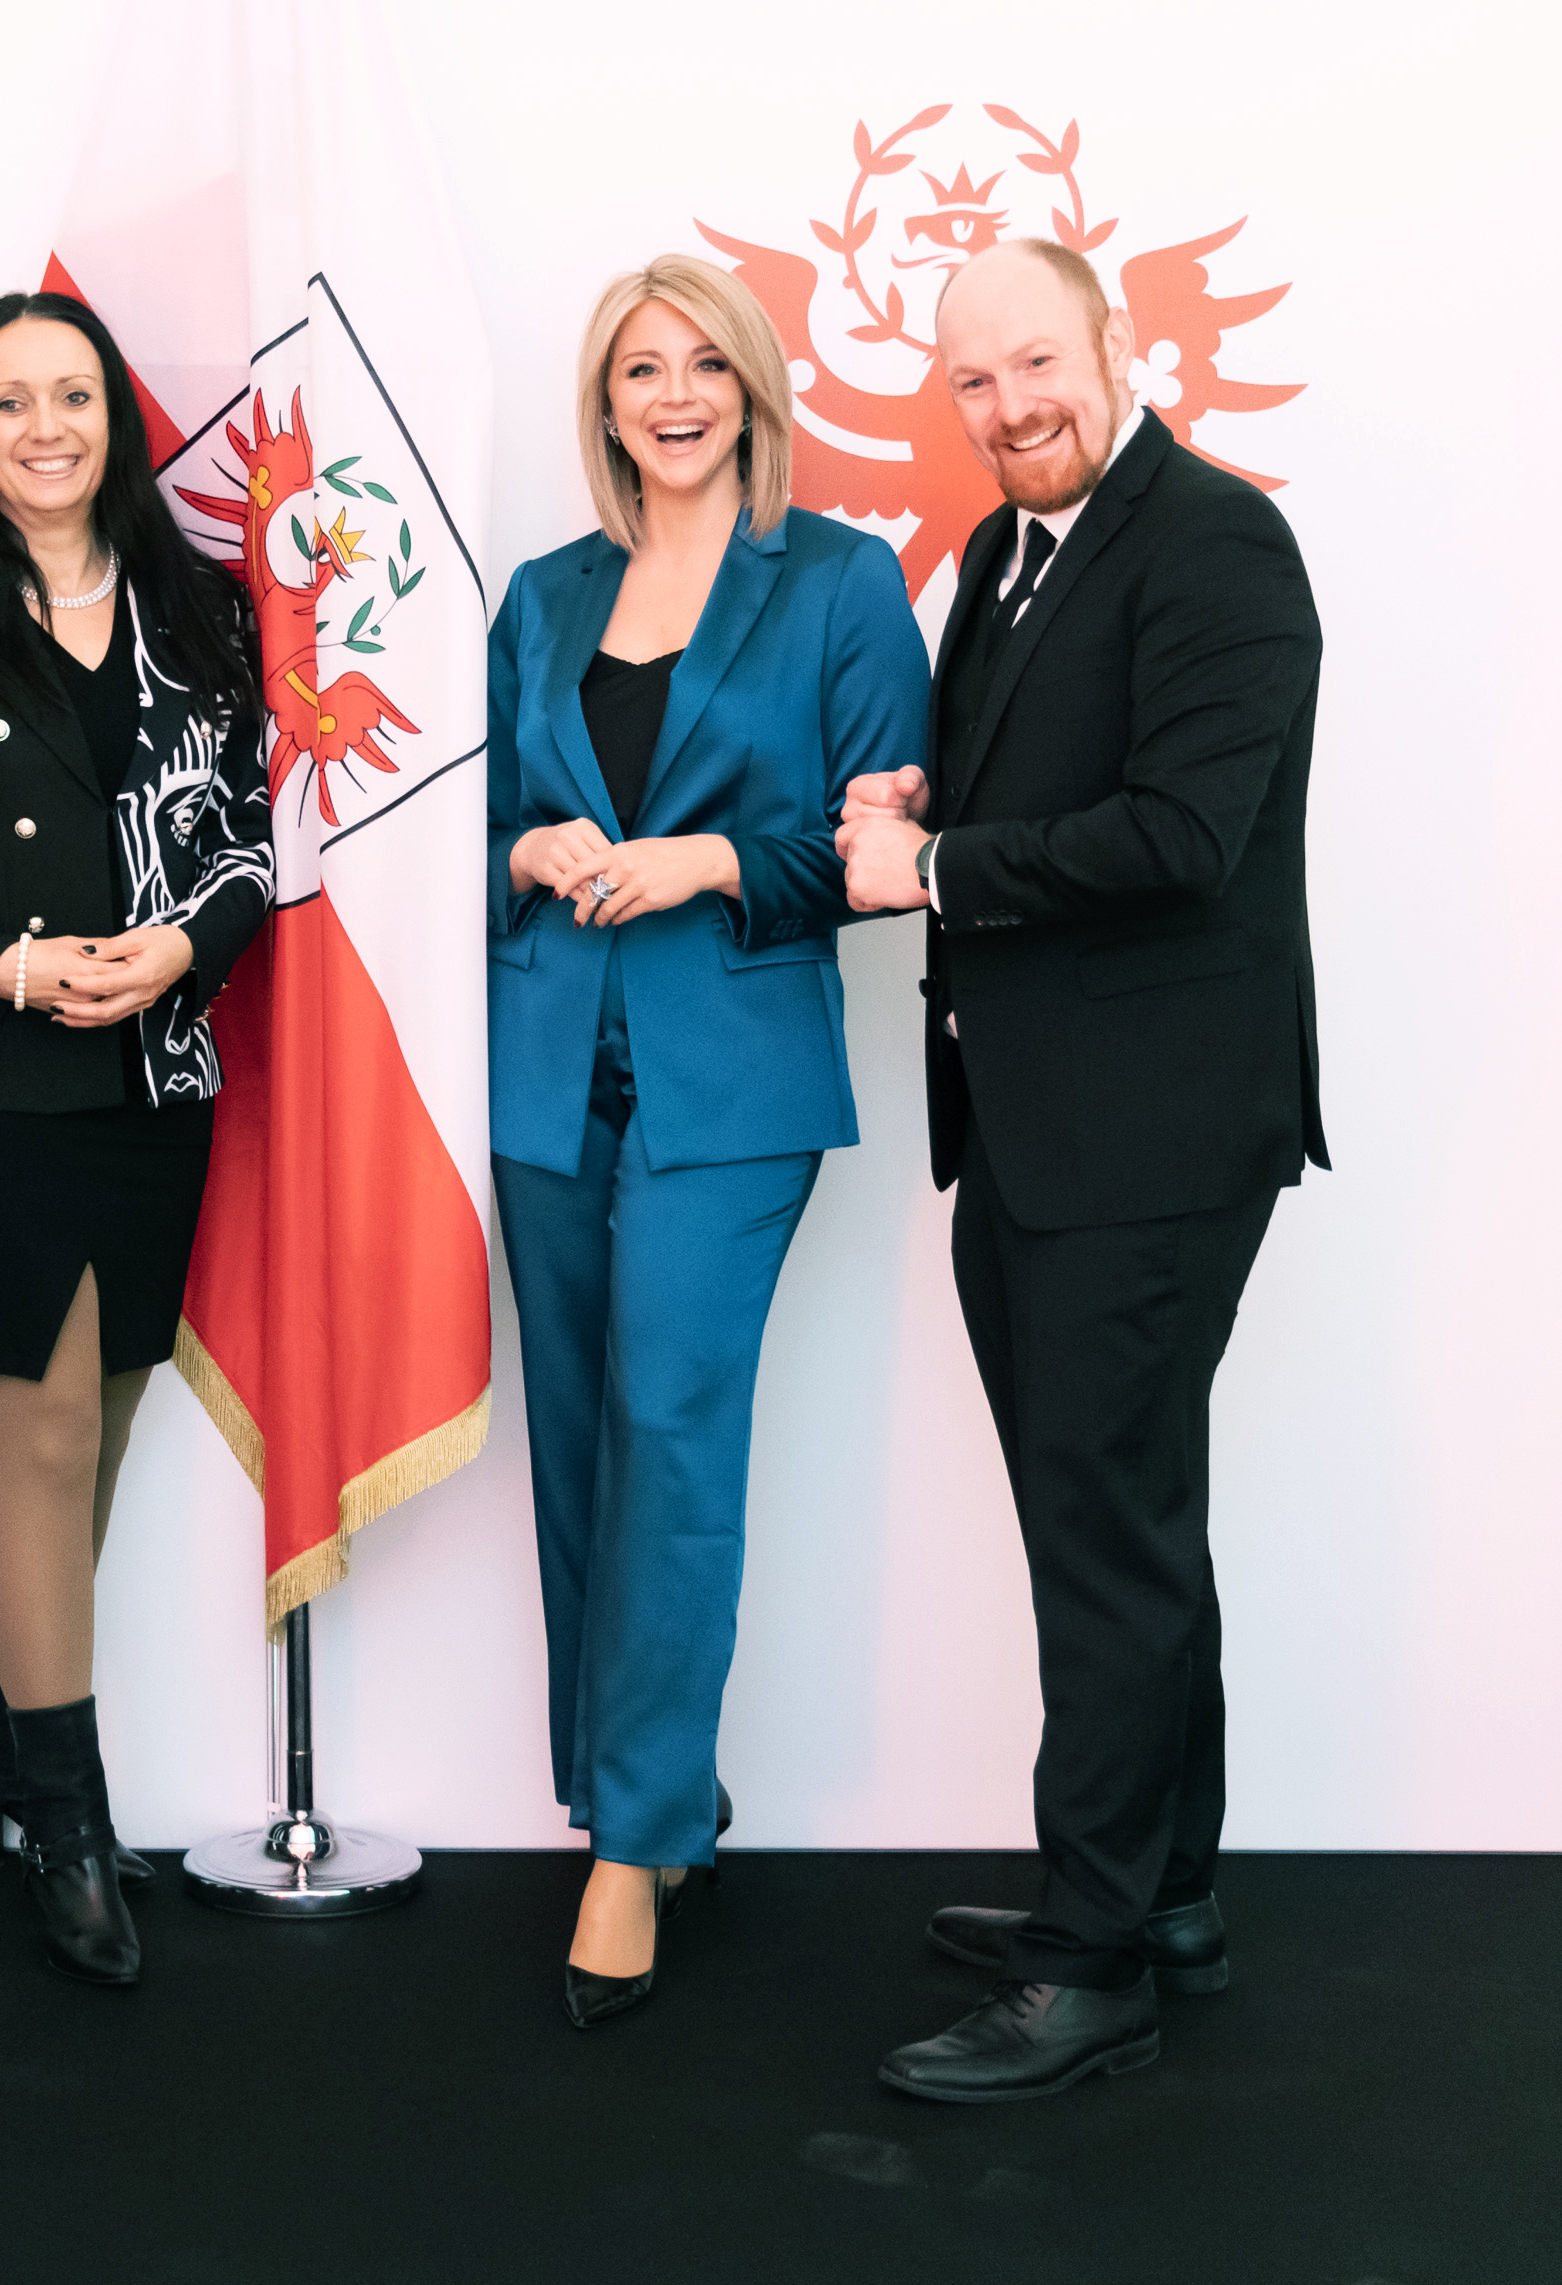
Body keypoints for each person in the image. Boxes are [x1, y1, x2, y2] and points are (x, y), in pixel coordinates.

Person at [836, 238, 1326, 2102]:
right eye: (973, 380)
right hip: (1038, 1125)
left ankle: (1088, 1962)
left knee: (1106, 1545)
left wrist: (937, 869)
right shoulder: (999, 555)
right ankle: (1163, 1894)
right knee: (1124, 1525)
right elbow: (1029, 789)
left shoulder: (1217, 542)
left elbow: (1186, 833)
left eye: (1037, 362)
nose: (1009, 405)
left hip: (1155, 1134)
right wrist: (923, 805)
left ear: (1117, 345)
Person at [489, 256, 930, 2029]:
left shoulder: (838, 581)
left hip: (732, 1082)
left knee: (672, 1426)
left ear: (751, 389)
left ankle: (636, 1841)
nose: (672, 396)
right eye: (638, 370)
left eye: (703, 367)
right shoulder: (542, 594)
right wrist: (525, 851)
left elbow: (879, 853)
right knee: (577, 1439)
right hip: (543, 1068)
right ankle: (635, 1791)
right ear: (603, 406)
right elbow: (470, 822)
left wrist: (715, 858)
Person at [0, 290, 270, 1988]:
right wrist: (11, 964)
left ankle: (4, 1731)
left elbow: (247, 838)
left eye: (70, 396)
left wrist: (181, 950)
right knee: (51, 1422)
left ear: (114, 418)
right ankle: (68, 1819)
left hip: (155, 1072)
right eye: (8, 401)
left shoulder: (200, 605)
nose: (43, 428)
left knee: (115, 1416)